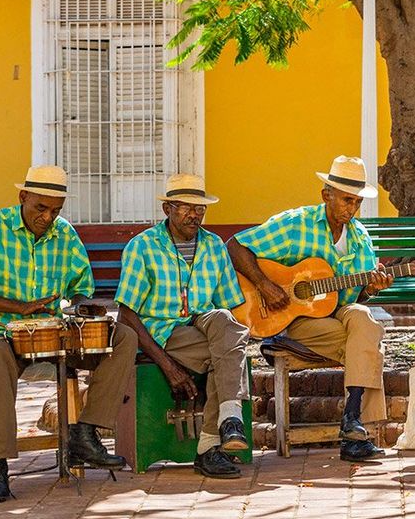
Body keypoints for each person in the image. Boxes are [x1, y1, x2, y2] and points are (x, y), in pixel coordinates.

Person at [0, 165, 137, 503]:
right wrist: (19, 307)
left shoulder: (64, 234)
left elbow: (82, 288)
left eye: (55, 210)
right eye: (40, 208)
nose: (48, 217)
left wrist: (83, 308)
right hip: (4, 333)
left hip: (56, 335)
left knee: (123, 337)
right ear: (23, 197)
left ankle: (85, 433)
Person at [227, 155, 392, 463]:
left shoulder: (360, 238)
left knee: (365, 321)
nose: (351, 209)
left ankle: (352, 420)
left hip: (338, 315)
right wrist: (264, 284)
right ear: (325, 194)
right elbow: (235, 245)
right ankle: (356, 432)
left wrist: (370, 288)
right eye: (346, 200)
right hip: (297, 318)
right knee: (367, 343)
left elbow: (356, 299)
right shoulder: (295, 224)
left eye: (357, 203)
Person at [116, 173, 250, 479]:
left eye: (200, 208)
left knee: (225, 324)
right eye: (185, 207)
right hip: (162, 332)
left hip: (204, 325)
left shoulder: (214, 246)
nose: (195, 215)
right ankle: (212, 444)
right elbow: (126, 314)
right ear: (167, 210)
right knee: (230, 352)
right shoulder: (143, 247)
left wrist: (228, 335)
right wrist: (167, 365)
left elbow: (227, 304)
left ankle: (227, 424)